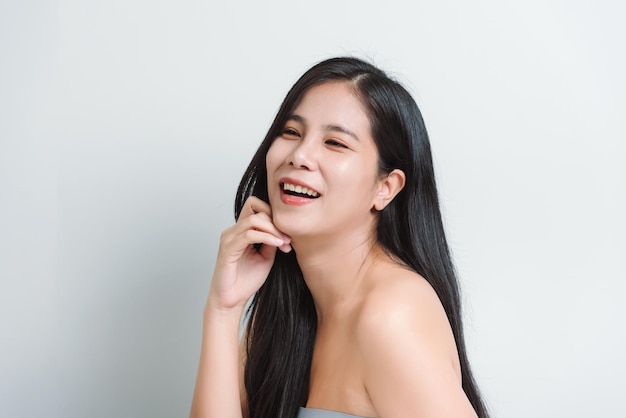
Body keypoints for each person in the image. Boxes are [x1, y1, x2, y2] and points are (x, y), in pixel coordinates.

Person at [190, 57, 489, 418]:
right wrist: (223, 310)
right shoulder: (281, 312)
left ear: (386, 188)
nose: (300, 155)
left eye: (335, 143)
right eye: (291, 132)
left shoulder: (390, 315)